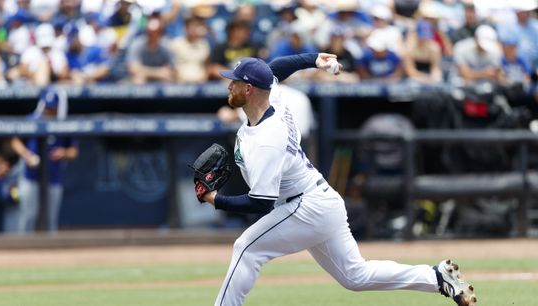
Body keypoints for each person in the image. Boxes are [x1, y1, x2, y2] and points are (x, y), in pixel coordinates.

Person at [200, 53, 477, 306]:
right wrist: (314, 59)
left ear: (248, 90)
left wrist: (216, 200)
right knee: (355, 276)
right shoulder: (273, 97)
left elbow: (261, 203)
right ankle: (436, 277)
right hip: (320, 200)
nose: (229, 85)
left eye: (234, 82)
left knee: (246, 248)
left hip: (305, 207)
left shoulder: (267, 140)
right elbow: (275, 68)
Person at [9, 87, 78, 233]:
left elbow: (74, 152)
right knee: (28, 216)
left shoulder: (65, 124)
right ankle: (23, 251)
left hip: (53, 177)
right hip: (30, 175)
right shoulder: (33, 119)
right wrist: (27, 155)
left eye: (53, 108)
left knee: (51, 219)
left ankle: (52, 254)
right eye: (47, 107)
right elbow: (15, 141)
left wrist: (63, 152)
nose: (49, 111)